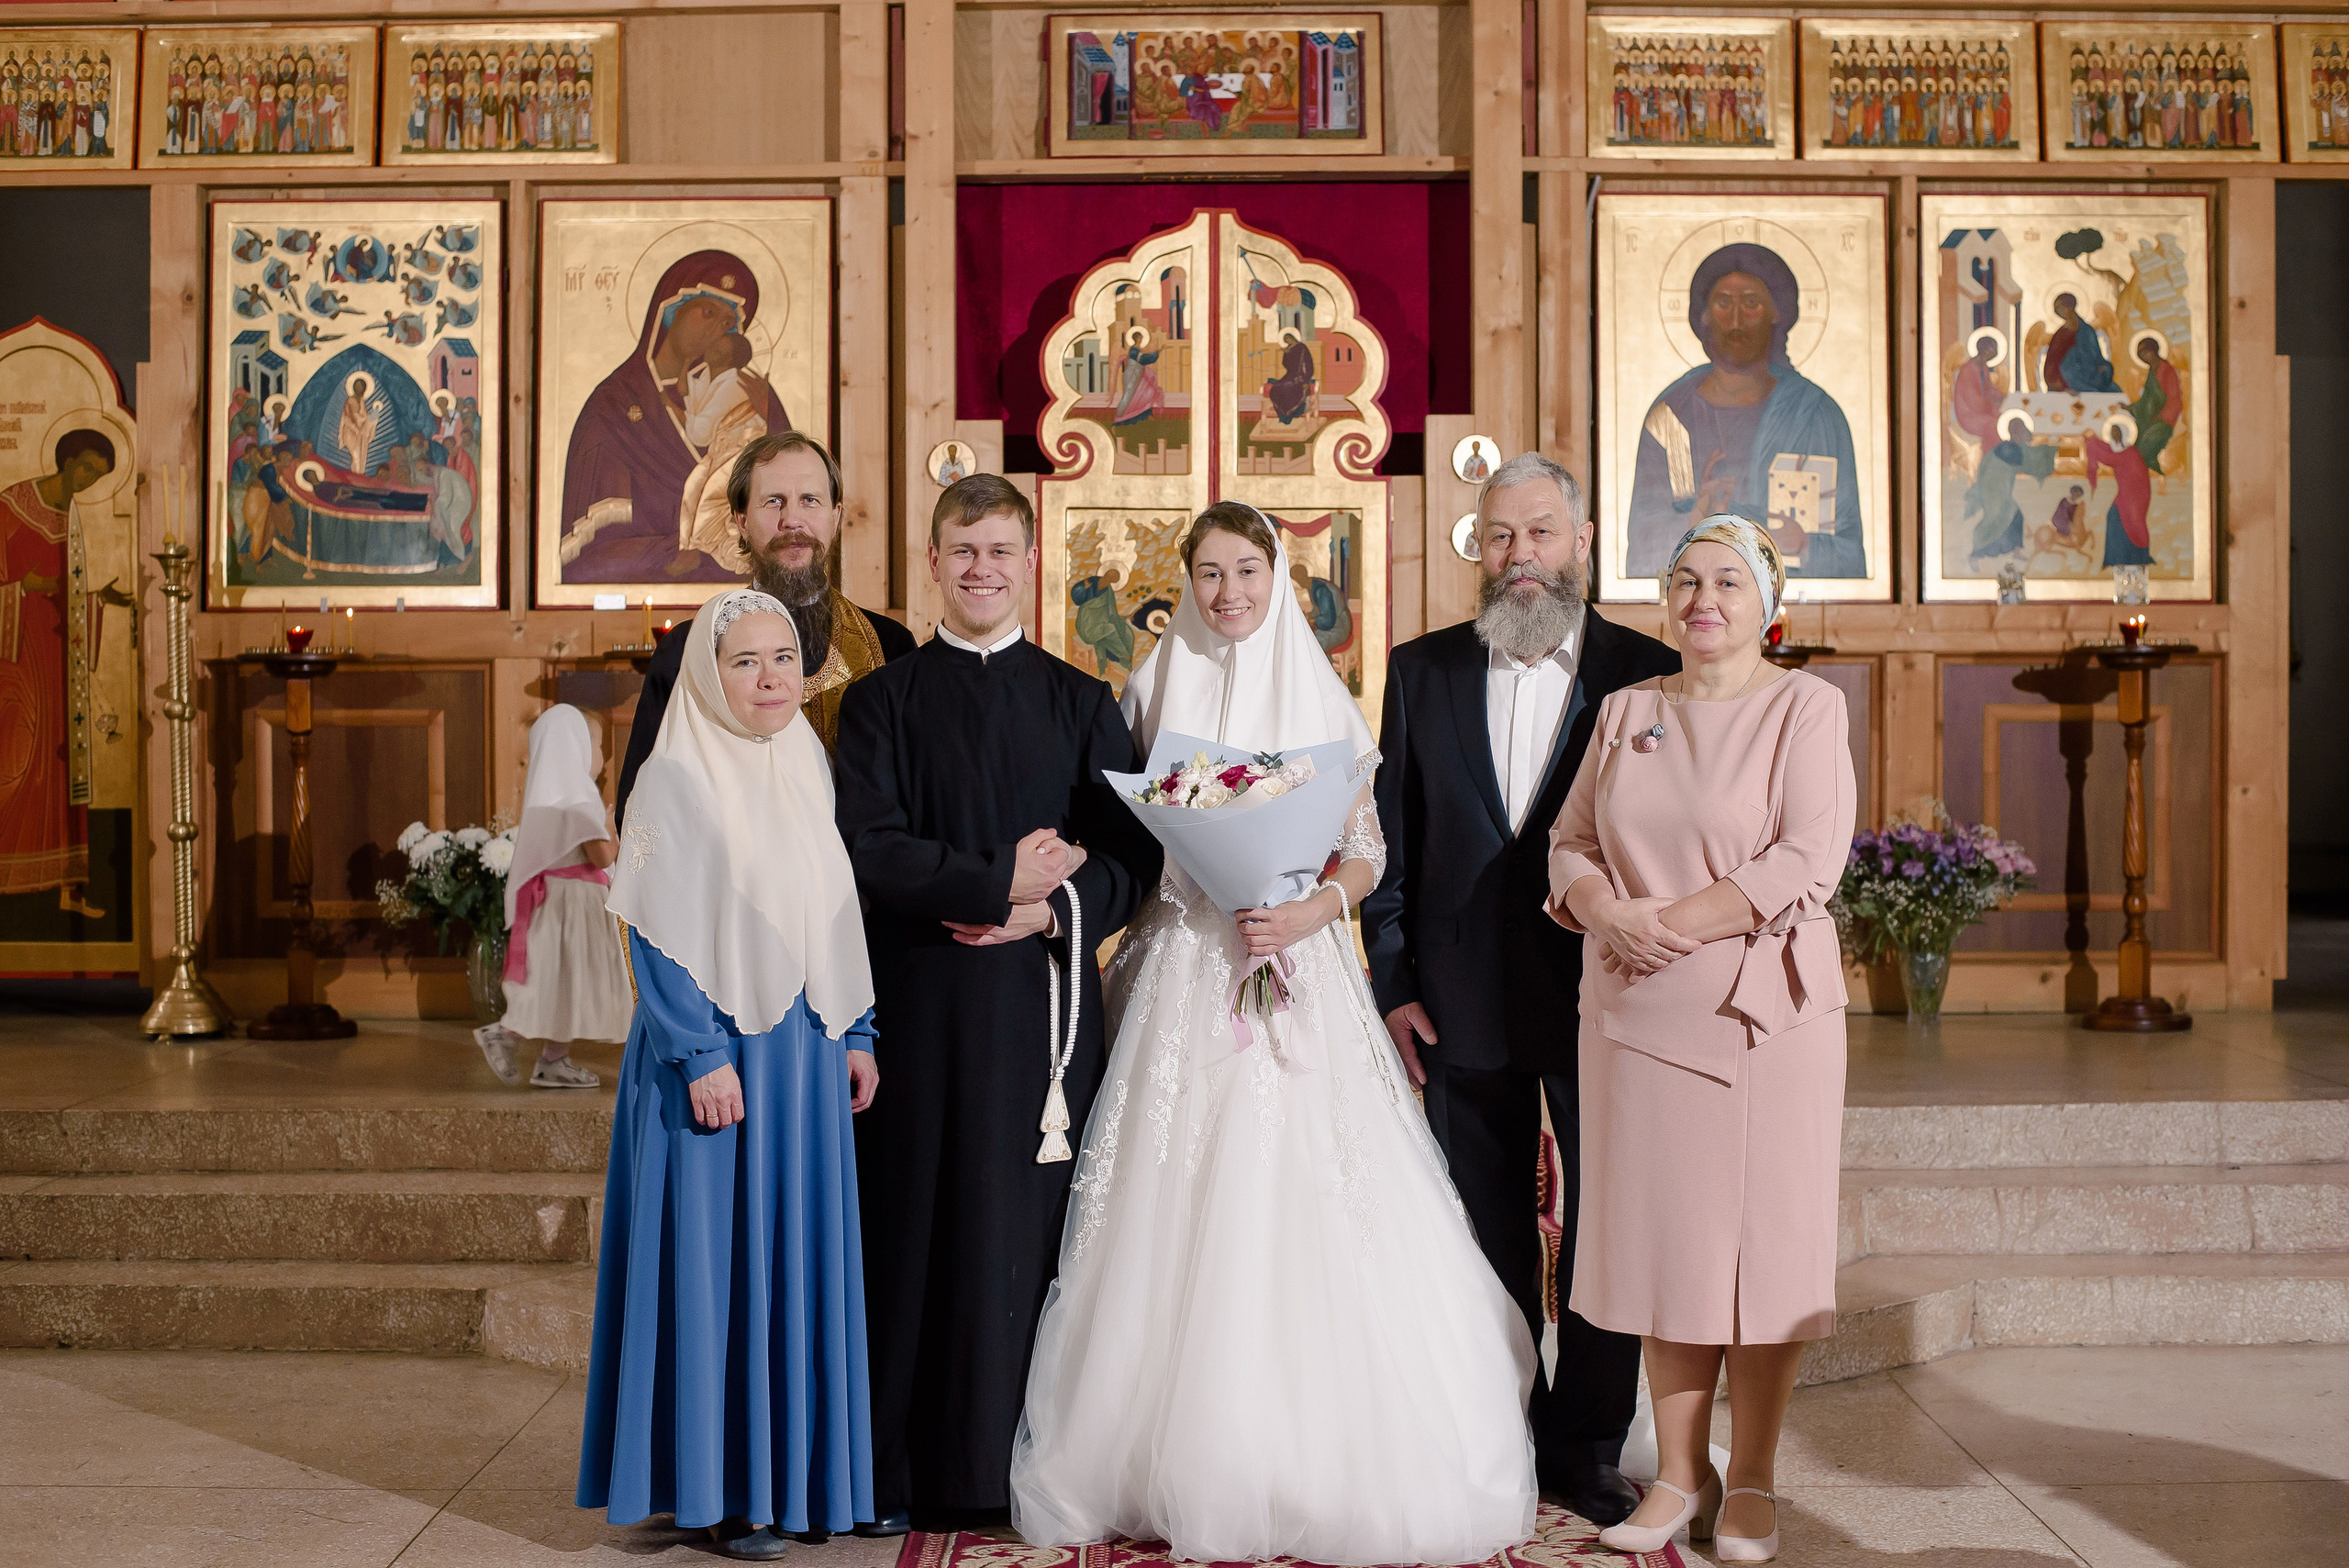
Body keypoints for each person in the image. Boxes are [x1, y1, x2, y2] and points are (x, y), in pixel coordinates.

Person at [1012, 502, 1536, 1565]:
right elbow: (1133, 828)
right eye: (1207, 573)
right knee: (1170, 1199)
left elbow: (1363, 850)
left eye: (1246, 570)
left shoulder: (1325, 693)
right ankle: (1157, 1444)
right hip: (1185, 962)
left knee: (1315, 1192)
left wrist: (1303, 912)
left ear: (1277, 574)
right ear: (1186, 581)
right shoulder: (1150, 686)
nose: (1227, 593)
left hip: (1295, 961)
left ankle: (1320, 1441)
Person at [833, 473, 1160, 1535]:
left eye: (1000, 552)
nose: (980, 569)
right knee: (913, 1231)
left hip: (1041, 1010)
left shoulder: (1081, 700)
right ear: (931, 562)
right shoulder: (883, 699)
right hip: (919, 1006)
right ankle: (894, 1473)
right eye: (961, 550)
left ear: (1032, 564)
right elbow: (868, 847)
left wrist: (1046, 909)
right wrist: (991, 881)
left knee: (1025, 1238)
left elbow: (1133, 857)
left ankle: (1011, 1470)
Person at [1362, 453, 1679, 1529]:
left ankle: (1586, 1442)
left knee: (1606, 1223)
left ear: (1581, 542)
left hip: (1609, 996)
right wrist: (1392, 978)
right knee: (1479, 1222)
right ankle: (1498, 1421)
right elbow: (1389, 842)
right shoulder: (1423, 669)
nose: (1519, 557)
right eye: (1499, 537)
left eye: (1540, 533)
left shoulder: (1649, 673)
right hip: (1459, 997)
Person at [1546, 515, 1854, 1563]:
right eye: (1684, 579)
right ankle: (1681, 1473)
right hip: (1637, 1016)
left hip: (1762, 1015)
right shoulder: (1627, 709)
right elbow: (1571, 839)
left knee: (1760, 1251)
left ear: (1768, 601)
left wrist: (1664, 923)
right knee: (1667, 1247)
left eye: (1727, 579)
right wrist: (1601, 907)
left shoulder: (1805, 708)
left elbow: (1807, 857)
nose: (1702, 598)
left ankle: (1757, 1474)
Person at [576, 589, 881, 1561]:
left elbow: (831, 909)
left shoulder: (806, 760)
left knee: (787, 1258)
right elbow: (655, 927)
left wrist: (860, 1028)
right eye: (746, 661)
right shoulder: (673, 776)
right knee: (715, 1267)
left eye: (784, 658)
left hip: (803, 1046)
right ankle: (723, 1491)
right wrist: (699, 1052)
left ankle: (792, 1477)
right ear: (709, 673)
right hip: (710, 1055)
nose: (770, 678)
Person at [618, 432, 914, 817]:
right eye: (774, 502)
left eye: (810, 500)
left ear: (836, 516)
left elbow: (914, 800)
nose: (792, 520)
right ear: (740, 520)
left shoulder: (891, 646)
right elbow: (640, 808)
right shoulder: (688, 649)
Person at [1624, 244, 1865, 581]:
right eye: (1723, 303)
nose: (1736, 319)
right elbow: (1642, 541)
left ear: (1775, 311)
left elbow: (1851, 551)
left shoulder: (1815, 415)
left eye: (1751, 302)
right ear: (1704, 313)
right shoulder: (1672, 418)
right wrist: (1693, 520)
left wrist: (1804, 544)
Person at [557, 250, 793, 584]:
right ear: (670, 311)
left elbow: (785, 520)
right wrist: (673, 555)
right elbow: (584, 560)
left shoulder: (750, 396)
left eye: (728, 324)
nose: (716, 330)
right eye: (708, 313)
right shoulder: (612, 407)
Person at [475, 705, 628, 1090]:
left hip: (554, 905)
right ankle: (505, 1033)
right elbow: (602, 855)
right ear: (573, 747)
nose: (601, 754)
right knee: (566, 982)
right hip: (575, 907)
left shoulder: (547, 798)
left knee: (558, 983)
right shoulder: (579, 798)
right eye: (594, 743)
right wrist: (613, 829)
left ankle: (553, 1061)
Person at [0, 429, 117, 918]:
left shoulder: (71, 518)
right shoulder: (10, 505)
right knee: (16, 756)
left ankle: (68, 886)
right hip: (14, 650)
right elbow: (23, 579)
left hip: (56, 652)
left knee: (63, 761)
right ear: (66, 460)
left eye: (98, 476)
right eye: (86, 468)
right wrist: (18, 587)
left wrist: (99, 598)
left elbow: (69, 585)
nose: (88, 482)